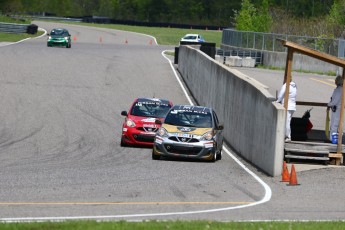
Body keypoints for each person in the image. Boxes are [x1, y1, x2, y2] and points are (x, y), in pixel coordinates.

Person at [327, 75, 343, 141]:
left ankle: (334, 141)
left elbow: (335, 101)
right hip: (335, 110)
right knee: (333, 125)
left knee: (335, 126)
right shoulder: (338, 89)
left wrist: (328, 104)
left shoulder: (339, 90)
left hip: (337, 110)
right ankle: (332, 139)